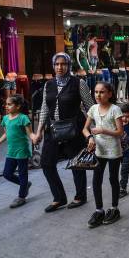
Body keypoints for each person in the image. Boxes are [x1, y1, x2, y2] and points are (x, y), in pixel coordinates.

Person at [31, 52, 94, 213]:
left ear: (68, 65)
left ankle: (80, 196)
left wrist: (90, 131)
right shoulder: (48, 85)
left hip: (75, 129)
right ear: (53, 66)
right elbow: (45, 107)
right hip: (53, 130)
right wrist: (38, 131)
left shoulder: (79, 83)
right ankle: (59, 198)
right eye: (57, 64)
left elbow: (90, 108)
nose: (60, 67)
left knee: (76, 164)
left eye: (63, 64)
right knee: (46, 163)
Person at [83, 82, 124, 228]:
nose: (98, 95)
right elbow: (85, 129)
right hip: (99, 150)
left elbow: (120, 132)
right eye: (96, 92)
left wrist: (103, 130)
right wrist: (90, 138)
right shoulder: (93, 109)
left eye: (102, 92)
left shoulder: (115, 110)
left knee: (113, 179)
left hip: (113, 150)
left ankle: (114, 208)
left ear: (110, 94)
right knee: (96, 180)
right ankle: (99, 210)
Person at [0, 95, 33, 208]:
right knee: (7, 174)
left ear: (18, 106)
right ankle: (25, 185)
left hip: (22, 150)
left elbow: (30, 133)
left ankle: (21, 197)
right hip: (11, 151)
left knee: (23, 174)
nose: (6, 106)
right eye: (6, 104)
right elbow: (6, 134)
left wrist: (35, 137)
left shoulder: (23, 118)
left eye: (9, 104)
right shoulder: (5, 119)